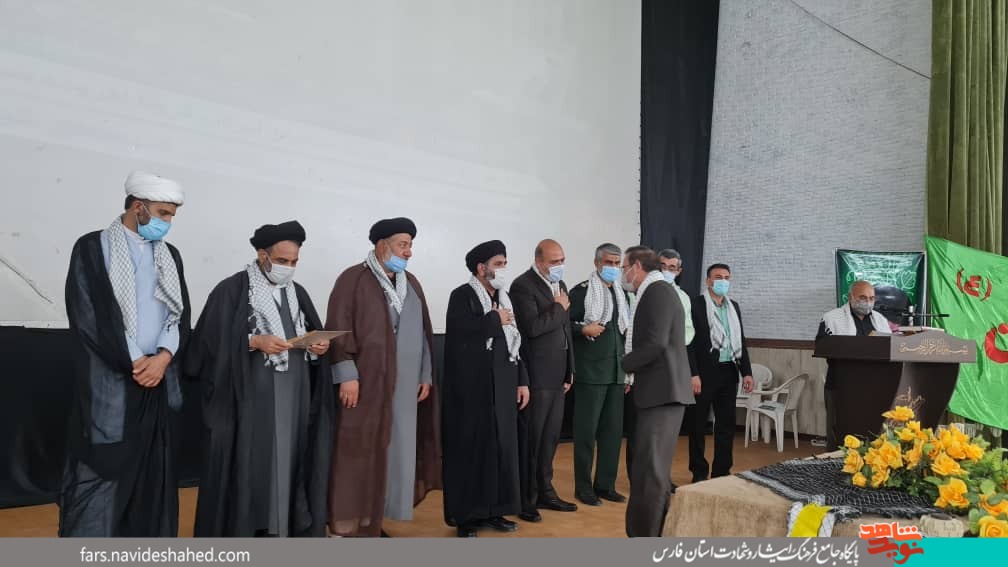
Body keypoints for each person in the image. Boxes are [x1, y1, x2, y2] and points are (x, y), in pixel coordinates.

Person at [60, 171, 190, 537]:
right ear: (138, 207)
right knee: (102, 477)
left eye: (171, 216)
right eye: (163, 214)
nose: (167, 223)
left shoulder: (170, 255)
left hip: (158, 380)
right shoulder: (92, 247)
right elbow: (89, 315)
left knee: (153, 475)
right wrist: (135, 360)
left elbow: (179, 313)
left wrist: (162, 358)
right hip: (112, 385)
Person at [185, 221, 334, 536]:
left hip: (295, 391)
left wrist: (317, 346)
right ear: (262, 254)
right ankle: (251, 527)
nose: (288, 268)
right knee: (254, 460)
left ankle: (284, 524)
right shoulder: (232, 289)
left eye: (294, 262)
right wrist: (253, 341)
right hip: (250, 396)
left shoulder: (297, 292)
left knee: (291, 457)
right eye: (282, 261)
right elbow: (205, 344)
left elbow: (306, 331)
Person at [323, 217, 441, 537]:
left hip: (405, 389)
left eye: (410, 245)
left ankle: (375, 520)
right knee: (357, 454)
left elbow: (424, 334)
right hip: (365, 386)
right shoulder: (353, 279)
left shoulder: (411, 283)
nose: (408, 252)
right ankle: (347, 524)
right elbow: (338, 326)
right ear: (381, 245)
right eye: (403, 245)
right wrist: (347, 375)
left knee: (394, 455)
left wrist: (425, 374)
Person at [442, 240, 531, 537]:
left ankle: (495, 510)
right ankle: (467, 517)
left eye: (504, 263)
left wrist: (522, 380)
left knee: (502, 449)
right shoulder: (461, 296)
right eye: (498, 264)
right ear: (482, 268)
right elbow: (460, 337)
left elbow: (516, 343)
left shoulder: (505, 298)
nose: (503, 269)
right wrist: (494, 319)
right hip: (472, 390)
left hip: (503, 384)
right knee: (472, 451)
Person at [620, 246, 693, 538]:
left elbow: (655, 343)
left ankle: (645, 536)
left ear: (637, 267)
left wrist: (624, 363)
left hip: (663, 392)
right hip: (659, 391)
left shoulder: (657, 291)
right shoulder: (655, 290)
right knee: (650, 470)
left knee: (650, 472)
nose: (623, 274)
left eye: (624, 267)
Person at [509, 239, 577, 515]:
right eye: (554, 261)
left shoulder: (560, 285)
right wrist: (559, 308)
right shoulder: (522, 285)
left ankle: (546, 492)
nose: (560, 265)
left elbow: (566, 332)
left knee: (550, 439)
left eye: (562, 260)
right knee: (533, 440)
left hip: (558, 375)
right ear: (539, 261)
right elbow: (533, 328)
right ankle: (527, 498)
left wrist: (570, 368)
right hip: (536, 376)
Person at [568, 243, 630, 506]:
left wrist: (627, 373)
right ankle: (583, 487)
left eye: (617, 263)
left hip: (616, 373)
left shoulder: (621, 294)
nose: (614, 268)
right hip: (591, 372)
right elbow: (564, 325)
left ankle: (605, 485)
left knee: (612, 434)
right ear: (597, 264)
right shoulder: (581, 292)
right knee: (586, 433)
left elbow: (625, 333)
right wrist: (582, 330)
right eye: (609, 263)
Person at [687, 263, 754, 483]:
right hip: (703, 374)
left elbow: (739, 339)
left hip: (728, 371)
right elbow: (689, 343)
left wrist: (746, 372)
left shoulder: (733, 306)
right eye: (718, 277)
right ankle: (698, 471)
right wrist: (693, 374)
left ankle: (721, 472)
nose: (723, 281)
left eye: (726, 277)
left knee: (726, 425)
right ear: (708, 281)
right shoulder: (695, 305)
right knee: (698, 426)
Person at [816, 280, 892, 448]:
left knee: (872, 433)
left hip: (875, 387)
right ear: (850, 297)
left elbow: (890, 349)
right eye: (863, 297)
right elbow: (822, 347)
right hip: (841, 386)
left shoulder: (880, 320)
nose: (868, 302)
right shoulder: (831, 318)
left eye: (871, 298)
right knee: (840, 434)